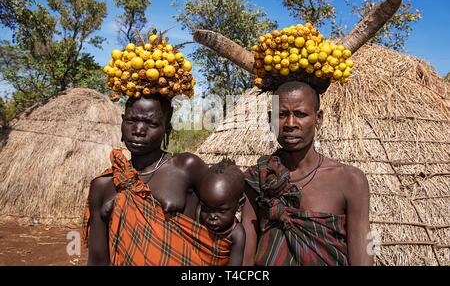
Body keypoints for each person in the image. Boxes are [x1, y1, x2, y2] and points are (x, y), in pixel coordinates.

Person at [82, 94, 230, 266]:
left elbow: (226, 225)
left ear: (167, 129)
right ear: (122, 122)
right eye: (131, 120)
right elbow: (98, 259)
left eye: (151, 123)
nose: (138, 130)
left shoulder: (187, 168)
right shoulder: (103, 184)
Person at [241, 81, 372, 266]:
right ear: (271, 120)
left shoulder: (350, 181)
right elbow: (245, 256)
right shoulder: (258, 178)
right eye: (282, 115)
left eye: (300, 114)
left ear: (318, 119)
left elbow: (363, 252)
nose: (290, 124)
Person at [197, 159, 246, 266]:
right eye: (206, 208)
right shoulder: (198, 217)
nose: (212, 216)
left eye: (221, 211)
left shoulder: (237, 233)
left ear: (239, 205)